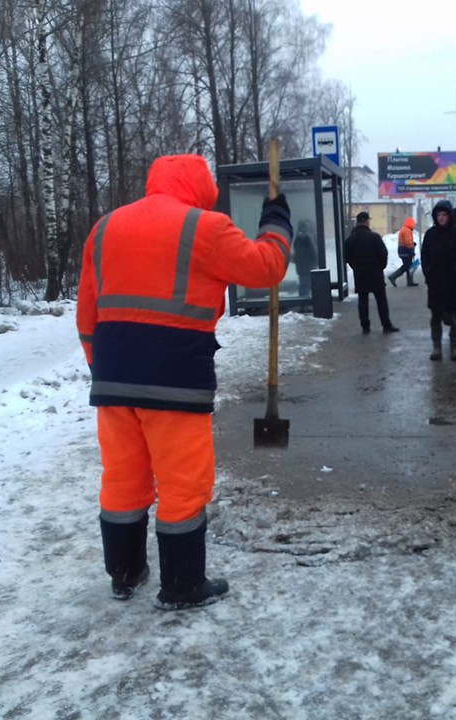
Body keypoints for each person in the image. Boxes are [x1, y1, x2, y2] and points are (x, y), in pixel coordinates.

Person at [76, 154, 292, 609]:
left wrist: (104, 369)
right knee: (182, 482)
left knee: (123, 477)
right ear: (201, 189)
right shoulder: (205, 228)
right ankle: (181, 585)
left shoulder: (105, 227)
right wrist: (276, 221)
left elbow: (87, 311)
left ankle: (124, 574)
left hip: (113, 379)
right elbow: (266, 268)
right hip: (174, 380)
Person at [421, 199, 456, 361]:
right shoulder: (431, 235)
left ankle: (455, 347)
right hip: (436, 284)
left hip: (454, 284)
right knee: (435, 319)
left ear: (449, 216)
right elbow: (425, 256)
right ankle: (437, 347)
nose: (441, 218)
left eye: (444, 215)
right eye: (439, 215)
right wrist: (429, 274)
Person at [344, 211, 399, 335]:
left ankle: (365, 326)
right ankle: (386, 324)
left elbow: (347, 257)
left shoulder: (350, 240)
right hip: (375, 274)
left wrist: (356, 267)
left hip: (360, 274)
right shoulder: (374, 237)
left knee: (363, 300)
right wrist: (380, 267)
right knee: (381, 300)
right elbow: (383, 253)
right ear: (366, 221)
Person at [387, 217, 419, 287]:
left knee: (408, 266)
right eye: (413, 224)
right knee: (406, 266)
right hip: (406, 251)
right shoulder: (407, 230)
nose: (414, 226)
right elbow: (408, 242)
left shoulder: (404, 229)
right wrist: (411, 250)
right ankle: (393, 277)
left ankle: (409, 281)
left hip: (402, 250)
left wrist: (412, 244)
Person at [292, 219, 317, 297]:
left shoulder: (298, 239)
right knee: (306, 285)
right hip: (308, 266)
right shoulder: (308, 238)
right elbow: (314, 252)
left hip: (301, 266)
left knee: (303, 285)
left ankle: (303, 300)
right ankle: (306, 300)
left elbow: (296, 251)